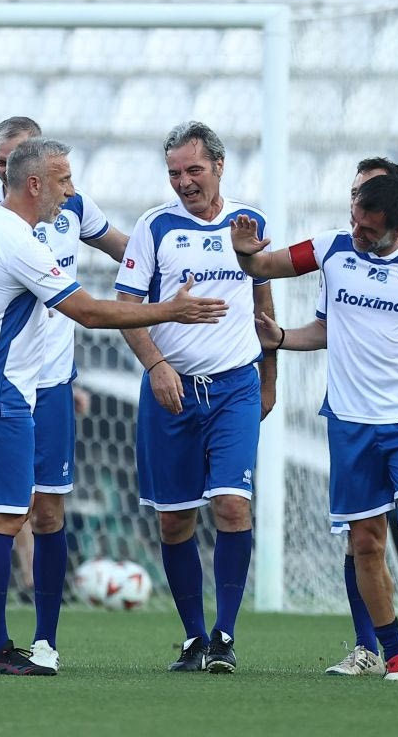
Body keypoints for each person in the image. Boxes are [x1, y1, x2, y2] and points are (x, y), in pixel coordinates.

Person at [0, 138, 227, 675]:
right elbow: (90, 313)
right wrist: (169, 310)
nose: (71, 191)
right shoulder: (18, 241)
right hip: (0, 392)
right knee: (6, 516)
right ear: (34, 183)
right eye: (63, 180)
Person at [230, 160, 398, 681]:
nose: (356, 232)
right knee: (365, 543)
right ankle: (392, 652)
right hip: (349, 420)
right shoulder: (332, 248)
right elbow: (271, 272)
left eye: (367, 228)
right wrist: (249, 262)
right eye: (354, 219)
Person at [0, 117, 130, 670]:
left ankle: (43, 639)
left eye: (15, 160)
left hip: (49, 383)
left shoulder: (71, 207)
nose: (6, 171)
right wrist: (15, 289)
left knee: (43, 511)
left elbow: (125, 251)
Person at [114, 121, 277, 674]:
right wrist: (157, 365)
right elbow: (126, 307)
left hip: (234, 386)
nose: (184, 181)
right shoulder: (155, 227)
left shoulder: (248, 223)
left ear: (219, 167)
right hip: (172, 390)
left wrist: (270, 377)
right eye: (175, 172)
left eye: (194, 170)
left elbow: (263, 304)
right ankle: (193, 637)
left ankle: (225, 637)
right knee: (175, 520)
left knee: (232, 504)